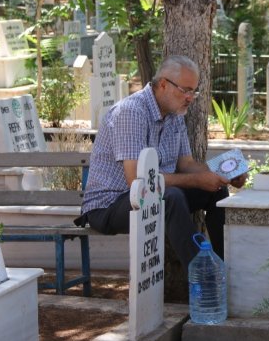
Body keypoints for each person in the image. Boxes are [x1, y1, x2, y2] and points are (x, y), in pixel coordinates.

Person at [76, 55, 246, 267]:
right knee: (169, 197)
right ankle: (204, 276)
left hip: (151, 195)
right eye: (186, 90)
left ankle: (227, 268)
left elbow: (186, 164)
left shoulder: (175, 114)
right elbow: (137, 180)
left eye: (194, 91)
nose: (190, 98)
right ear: (164, 84)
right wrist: (198, 180)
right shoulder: (131, 112)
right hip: (108, 205)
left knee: (215, 191)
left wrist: (222, 174)